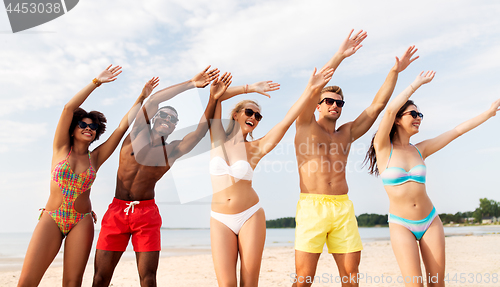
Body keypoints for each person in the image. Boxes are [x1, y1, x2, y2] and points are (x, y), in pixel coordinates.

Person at [292, 30, 420, 287]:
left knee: (351, 279)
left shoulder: (346, 133)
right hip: (312, 208)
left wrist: (395, 71)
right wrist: (339, 56)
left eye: (339, 103)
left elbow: (377, 106)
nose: (335, 105)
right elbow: (314, 85)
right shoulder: (305, 125)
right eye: (328, 101)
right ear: (317, 105)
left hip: (342, 208)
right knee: (304, 280)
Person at [18, 65, 158, 287]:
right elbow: (67, 108)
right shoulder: (61, 148)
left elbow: (121, 128)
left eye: (92, 127)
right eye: (82, 124)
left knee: (73, 283)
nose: (88, 128)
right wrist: (97, 82)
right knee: (26, 282)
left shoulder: (96, 157)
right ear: (73, 129)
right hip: (52, 217)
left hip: (81, 221)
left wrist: (141, 97)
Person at [92, 66, 231, 287]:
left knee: (148, 278)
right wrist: (191, 84)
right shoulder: (136, 134)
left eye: (172, 119)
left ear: (175, 126)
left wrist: (213, 98)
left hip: (146, 215)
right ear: (154, 119)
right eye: (164, 115)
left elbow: (199, 132)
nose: (167, 118)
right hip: (117, 211)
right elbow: (154, 100)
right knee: (100, 278)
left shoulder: (172, 151)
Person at [364, 70, 500, 286]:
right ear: (398, 120)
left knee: (437, 283)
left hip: (430, 220)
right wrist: (415, 84)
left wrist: (488, 113)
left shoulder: (421, 149)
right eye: (413, 114)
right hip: (401, 224)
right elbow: (389, 110)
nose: (418, 118)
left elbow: (456, 131)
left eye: (420, 115)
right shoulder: (383, 148)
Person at [209, 66, 336, 287]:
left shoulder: (257, 147)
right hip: (220, 218)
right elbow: (217, 97)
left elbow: (287, 120)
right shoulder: (217, 137)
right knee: (226, 284)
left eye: (258, 116)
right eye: (249, 112)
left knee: (249, 284)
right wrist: (250, 89)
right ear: (235, 115)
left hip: (250, 215)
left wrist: (311, 87)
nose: (254, 118)